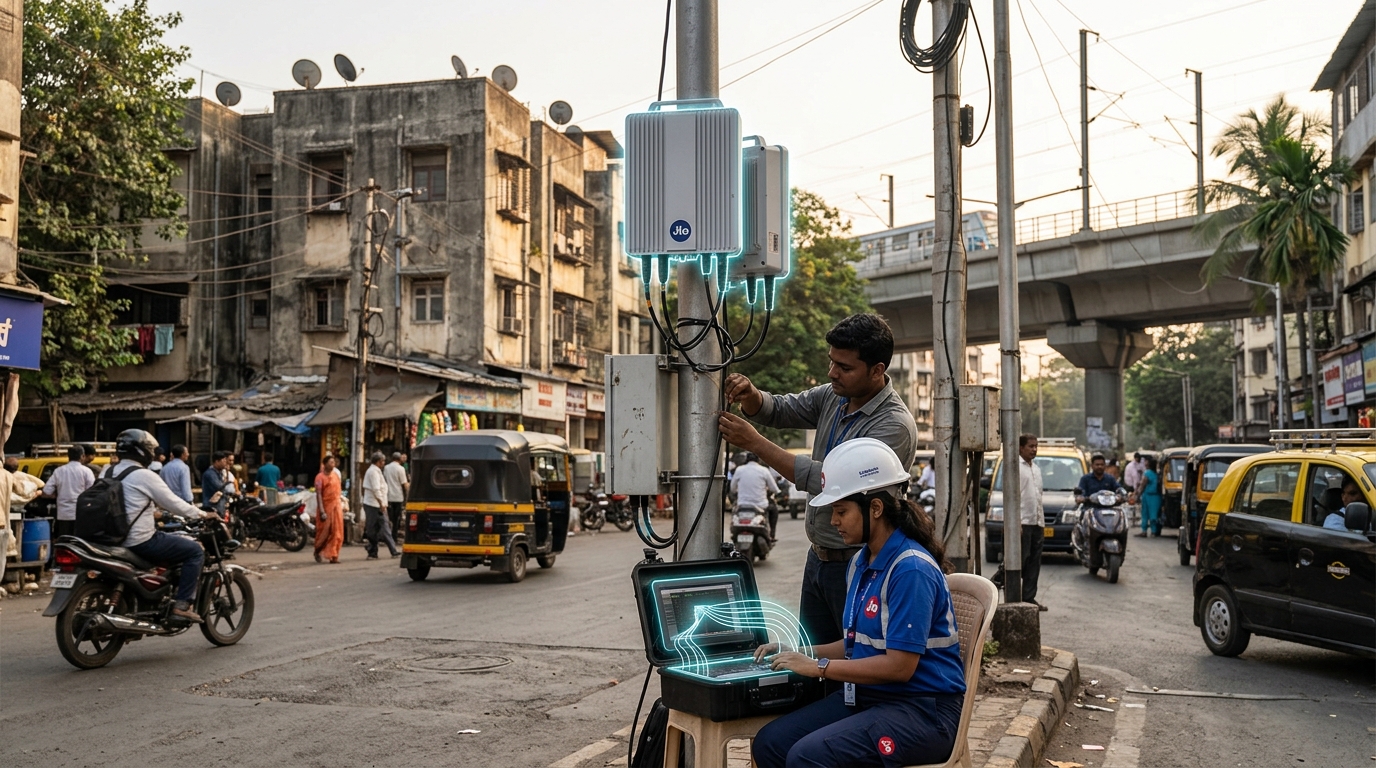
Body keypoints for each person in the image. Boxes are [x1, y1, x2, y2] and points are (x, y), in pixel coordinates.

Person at [751, 438, 964, 768]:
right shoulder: (861, 562)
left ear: (875, 508)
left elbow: (899, 666)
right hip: (872, 698)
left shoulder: (910, 569)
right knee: (771, 743)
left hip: (922, 711)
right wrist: (803, 652)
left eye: (841, 511)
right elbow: (855, 644)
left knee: (806, 757)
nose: (834, 521)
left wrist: (819, 668)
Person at [717, 313, 919, 648]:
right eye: (831, 362)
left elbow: (828, 482)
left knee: (854, 660)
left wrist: (755, 442)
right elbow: (781, 409)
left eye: (845, 367)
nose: (832, 373)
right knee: (811, 660)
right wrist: (751, 395)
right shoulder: (833, 396)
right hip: (819, 559)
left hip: (858, 562)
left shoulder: (892, 426)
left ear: (877, 370)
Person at [108, 430, 218, 623]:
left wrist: (154, 513)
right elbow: (173, 502)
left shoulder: (108, 471)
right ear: (143, 452)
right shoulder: (143, 475)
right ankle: (181, 605)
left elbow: (123, 505)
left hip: (111, 538)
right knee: (194, 551)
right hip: (139, 541)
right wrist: (202, 513)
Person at [991, 435, 1047, 611]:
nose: (1034, 449)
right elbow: (1012, 496)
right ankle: (999, 583)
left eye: (1036, 446)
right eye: (1030, 446)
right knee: (1018, 561)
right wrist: (1016, 523)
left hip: (1037, 520)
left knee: (1033, 562)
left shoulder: (1036, 469)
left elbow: (1037, 497)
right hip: (1022, 522)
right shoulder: (1015, 468)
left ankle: (1029, 598)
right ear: (1021, 448)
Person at [42, 446, 93, 541]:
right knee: (79, 544)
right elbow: (92, 492)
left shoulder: (59, 471)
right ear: (82, 456)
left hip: (63, 515)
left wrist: (57, 495)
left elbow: (46, 491)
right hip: (81, 514)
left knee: (65, 542)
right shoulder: (87, 471)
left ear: (68, 456)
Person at [730, 452, 780, 538]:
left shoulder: (739, 470)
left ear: (746, 460)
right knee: (774, 510)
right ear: (758, 460)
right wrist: (777, 492)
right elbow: (774, 489)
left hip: (742, 504)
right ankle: (772, 535)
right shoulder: (764, 470)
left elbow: (732, 488)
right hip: (760, 506)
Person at [363, 451, 398, 559]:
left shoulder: (376, 471)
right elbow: (376, 489)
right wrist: (381, 503)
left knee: (382, 527)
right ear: (379, 462)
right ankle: (377, 550)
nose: (384, 463)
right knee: (377, 528)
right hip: (374, 504)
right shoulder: (373, 472)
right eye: (383, 461)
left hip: (377, 504)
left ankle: (386, 550)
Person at [314, 454, 345, 563]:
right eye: (331, 462)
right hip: (326, 508)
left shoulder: (336, 475)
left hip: (336, 507)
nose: (333, 464)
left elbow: (338, 492)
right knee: (324, 532)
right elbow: (318, 494)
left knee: (337, 531)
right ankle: (317, 550)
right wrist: (322, 511)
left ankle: (334, 555)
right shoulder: (319, 477)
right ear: (325, 464)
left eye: (334, 462)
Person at [1135, 456, 1163, 537]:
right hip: (1157, 497)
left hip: (1147, 496)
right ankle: (1154, 531)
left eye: (1146, 461)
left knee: (1145, 513)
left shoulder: (1147, 473)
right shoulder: (1157, 474)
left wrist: (1137, 495)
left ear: (1149, 463)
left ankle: (1144, 531)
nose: (1144, 463)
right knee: (1154, 515)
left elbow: (1142, 486)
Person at [384, 452, 410, 540]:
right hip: (398, 497)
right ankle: (394, 536)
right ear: (399, 460)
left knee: (389, 518)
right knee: (396, 518)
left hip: (388, 496)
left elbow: (384, 480)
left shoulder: (386, 468)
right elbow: (404, 484)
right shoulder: (401, 469)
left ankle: (388, 536)